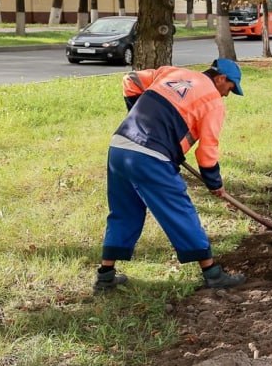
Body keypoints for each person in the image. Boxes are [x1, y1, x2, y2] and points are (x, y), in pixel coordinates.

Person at [94, 58, 248, 293]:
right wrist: (214, 182)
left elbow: (131, 80)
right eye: (230, 88)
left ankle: (105, 277)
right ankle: (213, 274)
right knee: (179, 210)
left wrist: (138, 117)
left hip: (120, 146)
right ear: (220, 79)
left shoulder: (171, 72)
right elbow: (207, 151)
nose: (228, 94)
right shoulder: (213, 101)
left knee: (123, 211)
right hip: (150, 157)